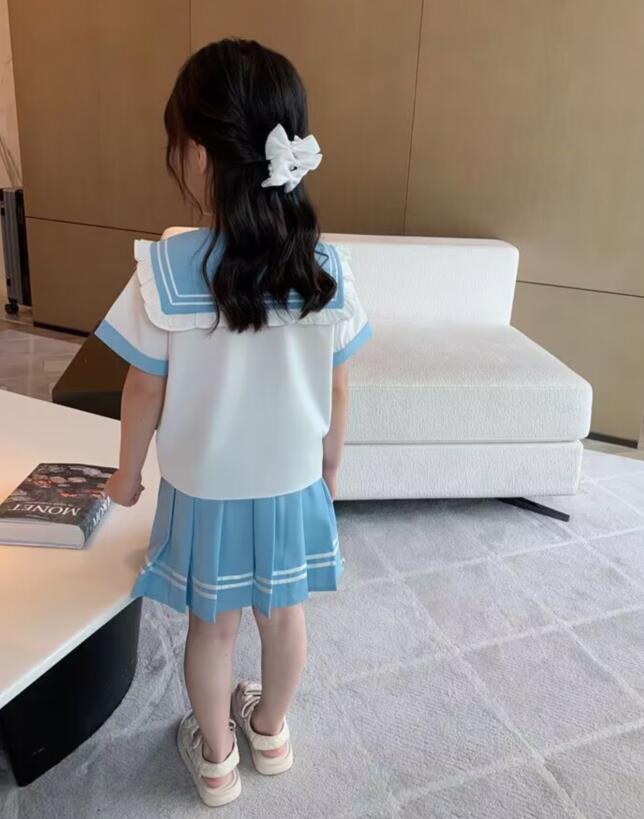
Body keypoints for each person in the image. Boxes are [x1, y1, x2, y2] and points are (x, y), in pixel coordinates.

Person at [96, 37, 373, 808]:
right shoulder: (326, 267)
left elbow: (142, 390)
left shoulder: (167, 268)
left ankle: (216, 759)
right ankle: (271, 730)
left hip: (206, 489)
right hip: (292, 482)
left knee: (211, 628)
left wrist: (126, 474)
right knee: (284, 619)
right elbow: (339, 384)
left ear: (197, 153)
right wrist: (330, 466)